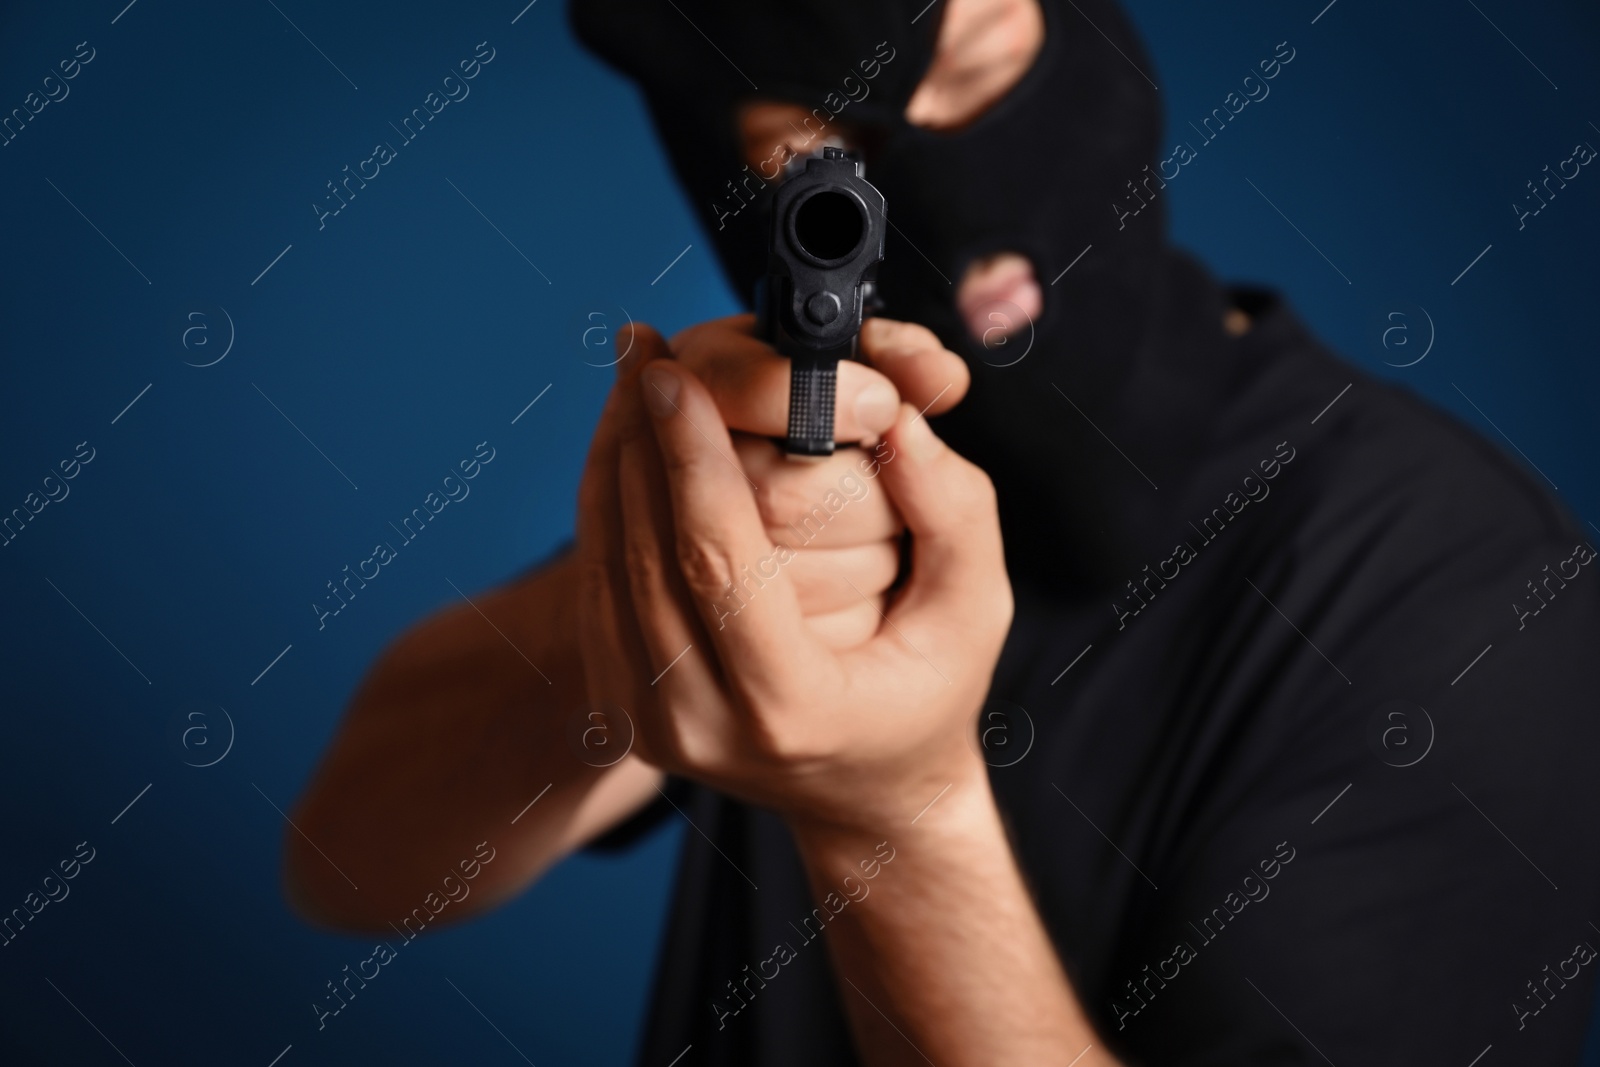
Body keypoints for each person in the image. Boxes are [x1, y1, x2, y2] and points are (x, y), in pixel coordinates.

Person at [285, 0, 1600, 1063]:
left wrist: (890, 817)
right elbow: (352, 862)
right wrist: (664, 599)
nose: (917, 166)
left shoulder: (1467, 592)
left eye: (970, 68)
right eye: (810, 146)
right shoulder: (810, 484)